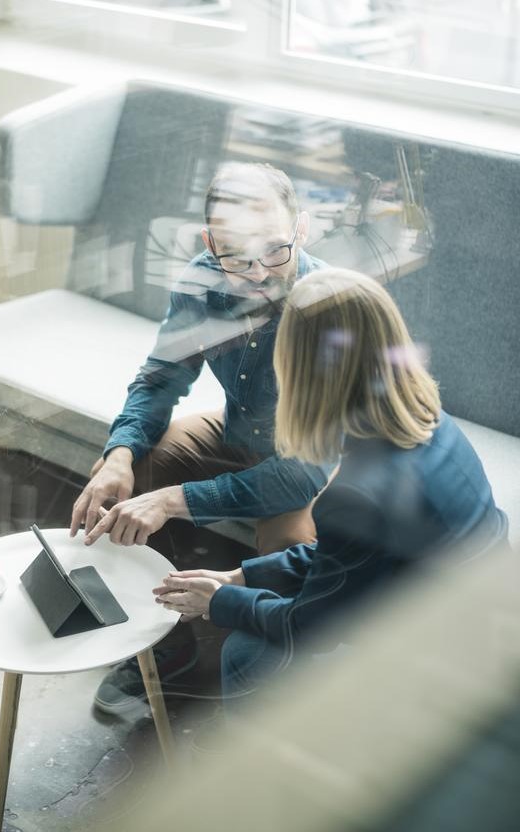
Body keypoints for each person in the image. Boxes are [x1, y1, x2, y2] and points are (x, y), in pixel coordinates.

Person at [154, 268, 509, 709]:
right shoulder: (426, 418)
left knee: (246, 653)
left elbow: (306, 627)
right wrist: (243, 576)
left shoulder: (355, 494)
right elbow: (347, 556)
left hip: (440, 646)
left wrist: (222, 601)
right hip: (480, 603)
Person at [70, 162, 330, 713]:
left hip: (309, 464)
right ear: (211, 243)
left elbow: (301, 472)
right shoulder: (199, 279)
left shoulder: (327, 306)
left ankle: (273, 681)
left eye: (276, 250)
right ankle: (166, 642)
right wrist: (118, 455)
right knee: (137, 465)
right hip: (235, 429)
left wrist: (172, 502)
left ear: (301, 229)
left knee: (291, 552)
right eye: (235, 256)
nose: (258, 272)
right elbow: (162, 377)